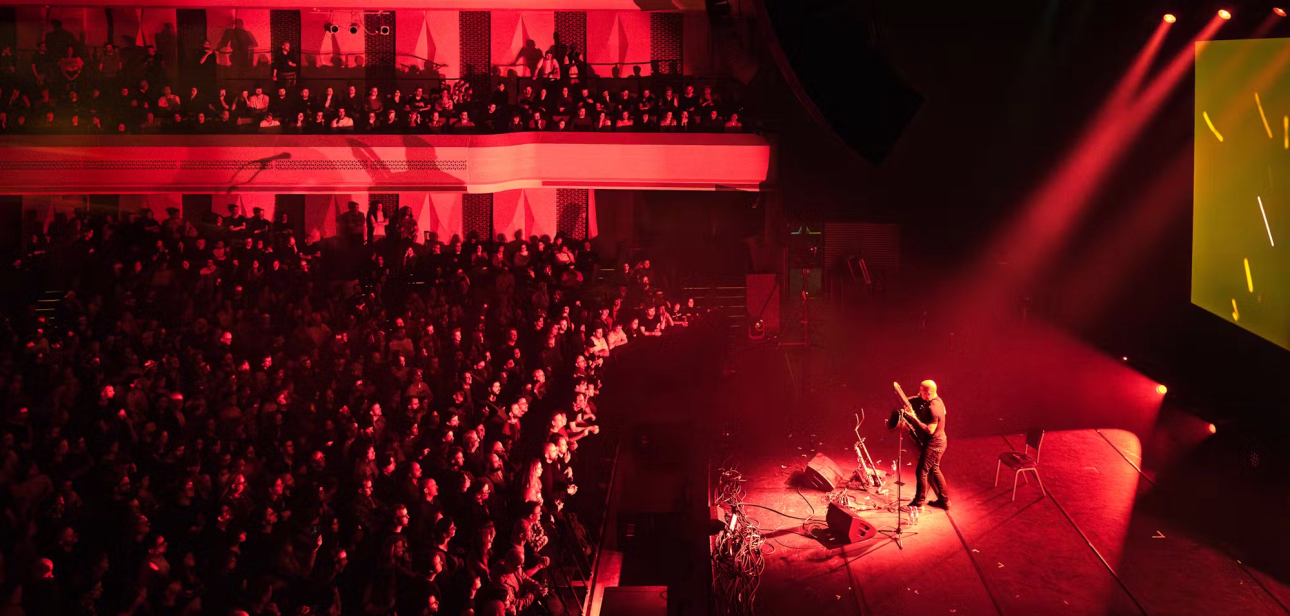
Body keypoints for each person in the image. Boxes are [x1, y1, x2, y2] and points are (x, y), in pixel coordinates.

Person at [893, 380, 950, 511]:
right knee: (934, 469)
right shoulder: (939, 401)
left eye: (922, 392)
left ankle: (918, 503)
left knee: (921, 471)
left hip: (934, 444)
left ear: (928, 393)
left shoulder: (932, 408)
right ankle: (945, 501)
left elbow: (930, 430)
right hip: (940, 441)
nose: (919, 394)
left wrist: (914, 417)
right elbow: (943, 413)